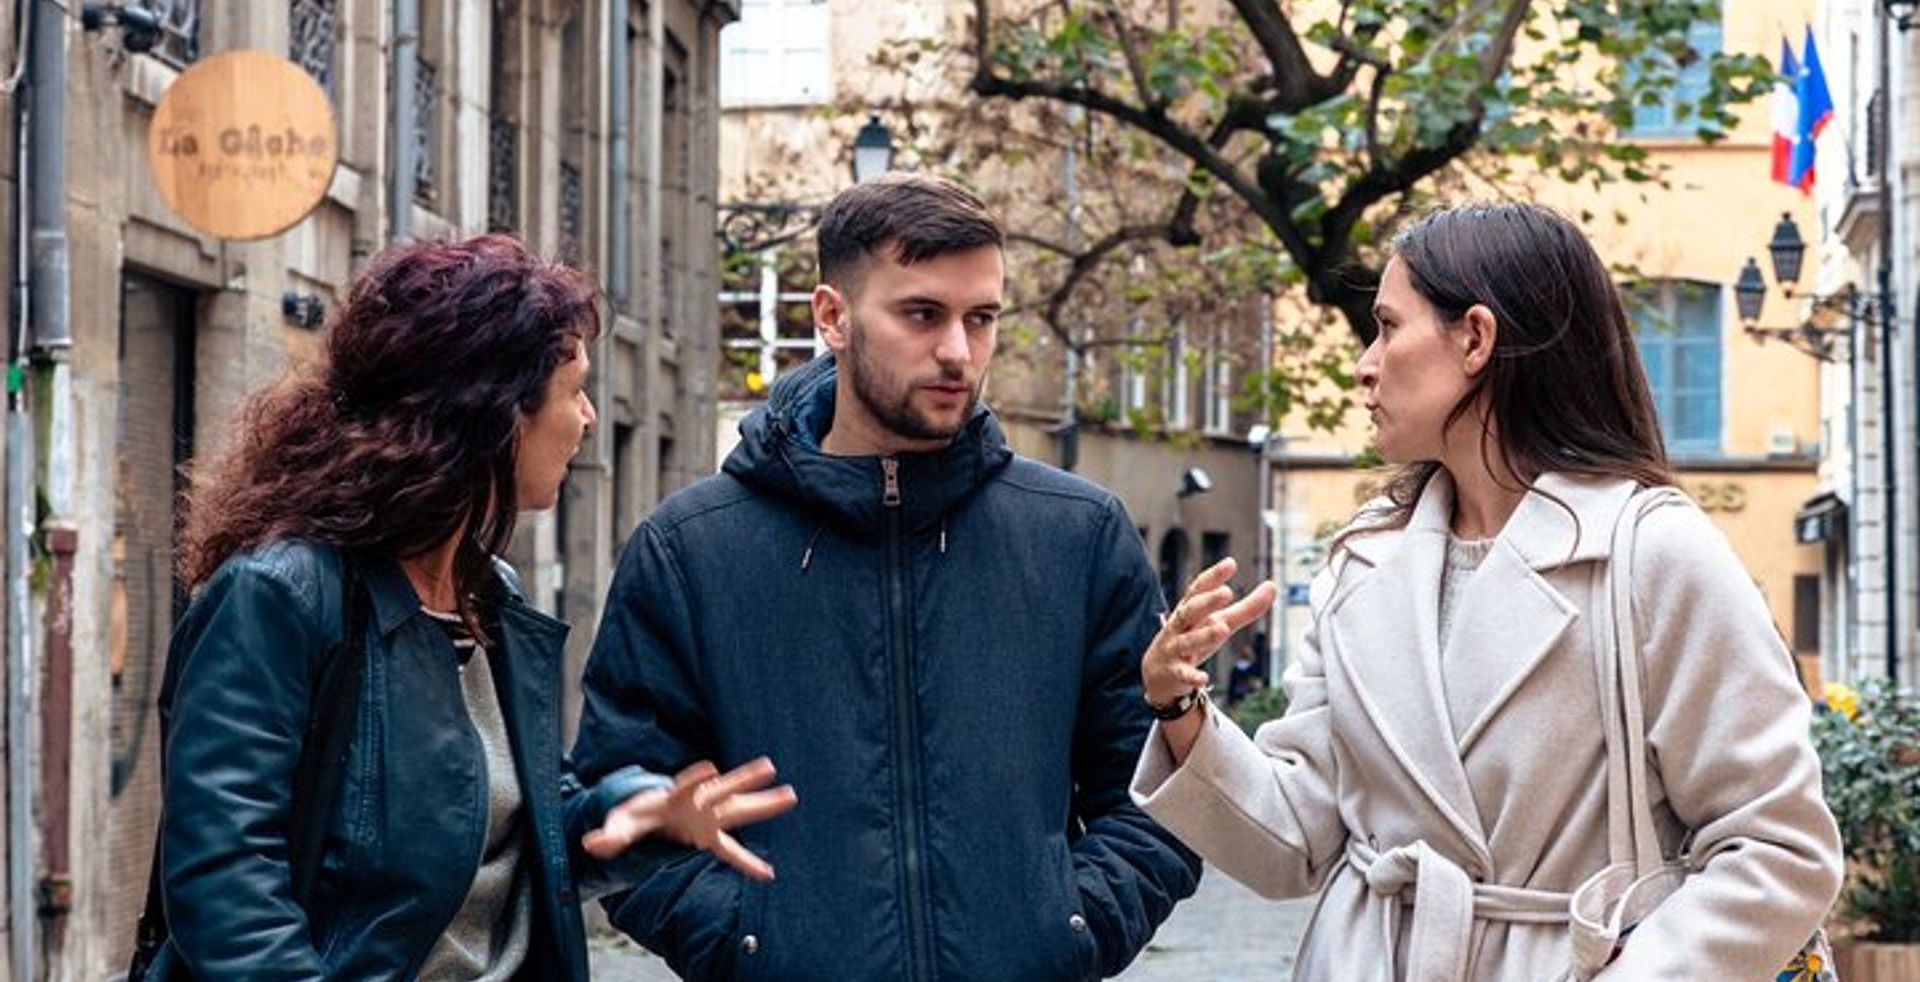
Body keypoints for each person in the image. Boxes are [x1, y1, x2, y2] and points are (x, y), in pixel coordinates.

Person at [1132, 202, 1845, 979]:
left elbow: (1780, 849)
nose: (1365, 364)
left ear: (1475, 338)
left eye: (1388, 327)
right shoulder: (1366, 560)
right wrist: (1179, 707)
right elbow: (1295, 844)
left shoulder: (1652, 553)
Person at [571, 173, 1204, 980]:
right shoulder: (691, 549)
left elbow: (1155, 796)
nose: (957, 352)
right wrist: (754, 945)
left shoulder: (1078, 536)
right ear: (832, 317)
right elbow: (621, 808)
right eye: (921, 314)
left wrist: (1067, 929)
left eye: (982, 319)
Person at [158, 235, 796, 980]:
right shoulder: (280, 595)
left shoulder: (489, 598)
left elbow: (515, 824)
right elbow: (225, 892)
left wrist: (635, 811)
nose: (588, 418)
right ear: (494, 413)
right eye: (573, 390)